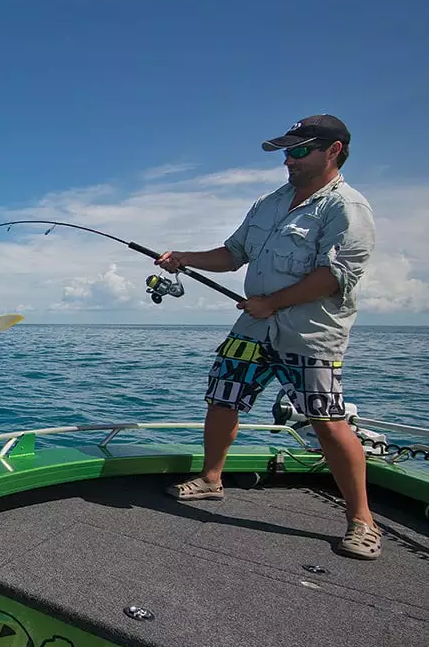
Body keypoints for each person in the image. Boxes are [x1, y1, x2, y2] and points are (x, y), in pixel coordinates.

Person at [156, 114, 378, 559]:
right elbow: (233, 254)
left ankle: (362, 521)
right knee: (222, 398)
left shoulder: (348, 209)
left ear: (333, 151)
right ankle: (210, 480)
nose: (288, 160)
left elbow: (336, 276)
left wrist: (273, 303)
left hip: (310, 335)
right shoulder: (268, 203)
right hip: (253, 328)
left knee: (327, 420)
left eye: (298, 151)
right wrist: (185, 258)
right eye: (285, 152)